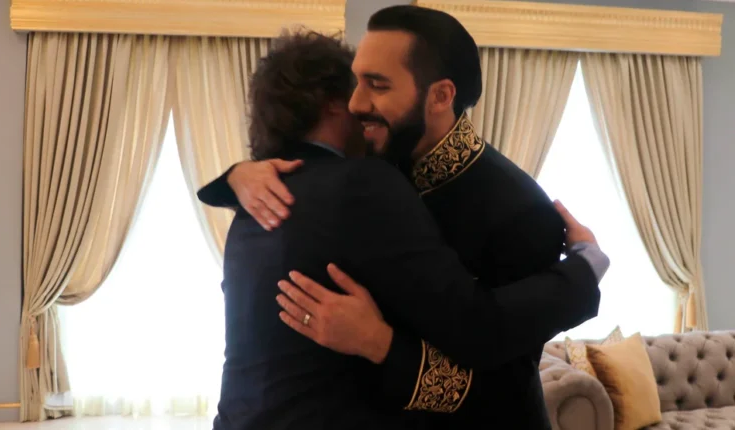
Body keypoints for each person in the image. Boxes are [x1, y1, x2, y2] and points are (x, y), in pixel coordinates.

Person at [201, 6, 608, 430]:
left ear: (441, 96)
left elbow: (500, 389)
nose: (355, 103)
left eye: (376, 85)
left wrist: (380, 344)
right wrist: (237, 176)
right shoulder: (375, 168)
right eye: (355, 82)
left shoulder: (520, 210)